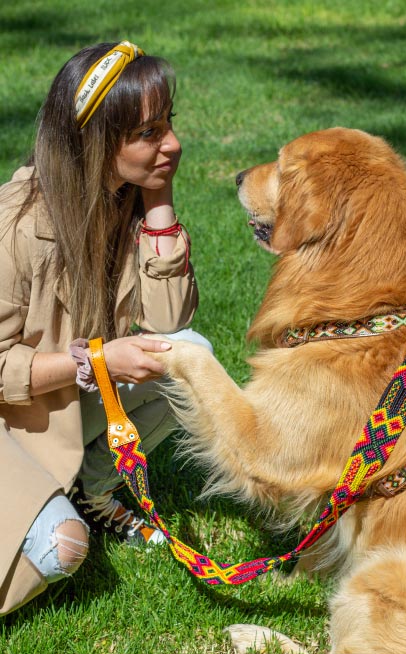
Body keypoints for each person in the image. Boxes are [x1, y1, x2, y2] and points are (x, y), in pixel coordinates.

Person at [0, 40, 211, 615]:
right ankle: (55, 508)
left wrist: (159, 197)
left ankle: (90, 489)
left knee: (189, 357)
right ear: (93, 143)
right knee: (64, 548)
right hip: (11, 422)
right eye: (149, 133)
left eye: (169, 124)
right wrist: (93, 362)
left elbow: (169, 320)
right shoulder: (14, 225)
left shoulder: (125, 203)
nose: (173, 144)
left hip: (59, 405)